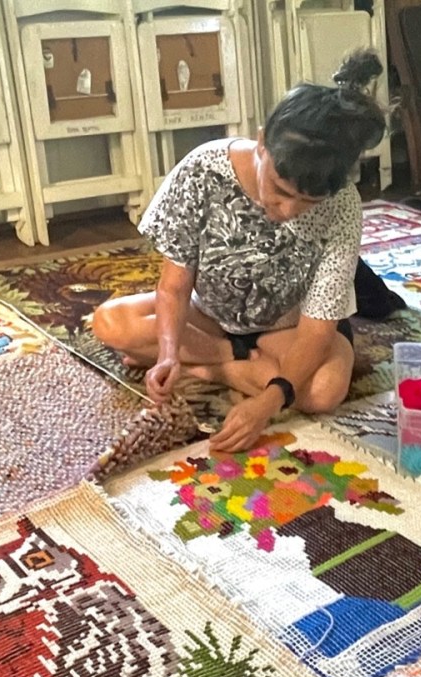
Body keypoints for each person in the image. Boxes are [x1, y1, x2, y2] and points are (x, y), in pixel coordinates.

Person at [89, 50, 389, 453]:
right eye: (281, 191)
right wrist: (166, 354)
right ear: (262, 142)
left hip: (289, 326)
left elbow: (318, 325)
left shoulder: (343, 205)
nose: (287, 211)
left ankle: (214, 369)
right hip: (210, 314)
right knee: (111, 323)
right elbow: (175, 286)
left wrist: (268, 401)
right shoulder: (204, 169)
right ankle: (235, 366)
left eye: (307, 203)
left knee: (323, 391)